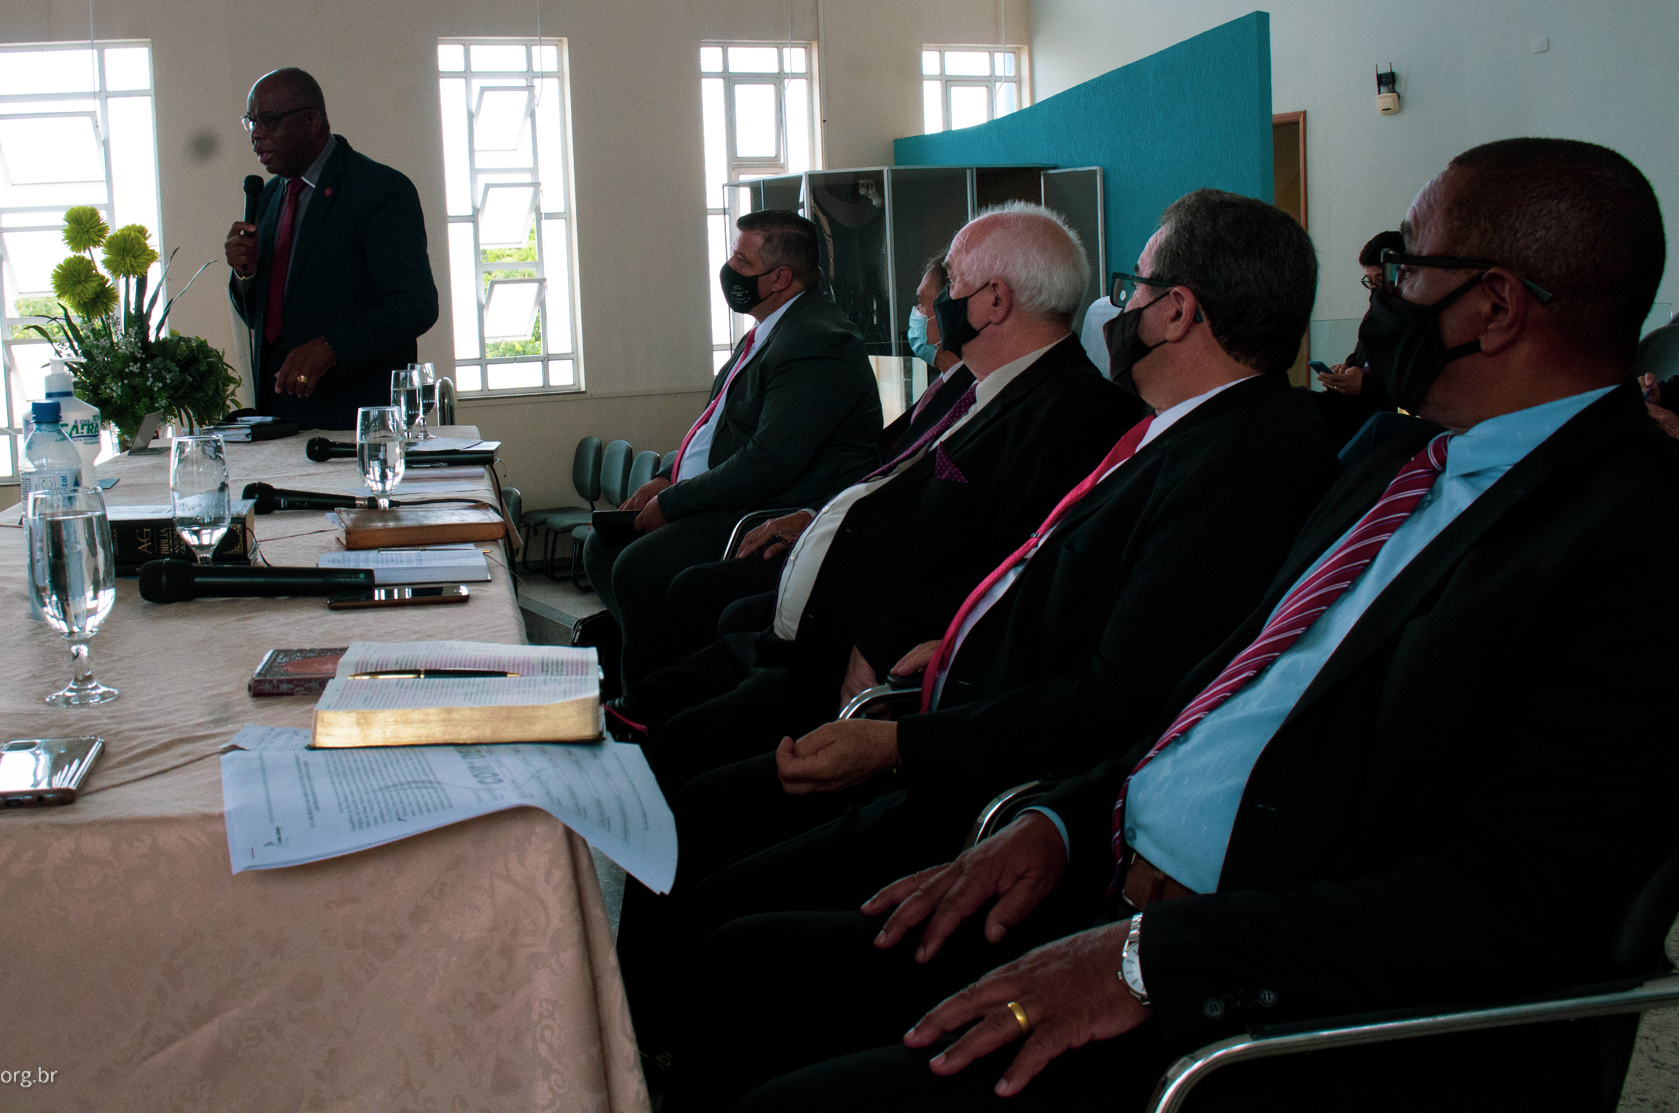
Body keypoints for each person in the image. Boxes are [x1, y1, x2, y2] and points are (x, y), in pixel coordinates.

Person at [683, 138, 1679, 1113]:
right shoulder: (1395, 458)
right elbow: (1218, 693)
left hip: (1263, 998)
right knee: (748, 969)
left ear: (1495, 306)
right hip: (1109, 873)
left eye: (1405, 262)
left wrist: (1153, 959)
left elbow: (1521, 899)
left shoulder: (1636, 534)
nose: (1380, 290)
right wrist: (1061, 822)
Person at [627, 189, 1337, 1078]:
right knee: (713, 858)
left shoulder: (1241, 461)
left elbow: (1118, 698)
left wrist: (904, 741)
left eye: (1135, 288)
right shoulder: (1186, 432)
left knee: (735, 940)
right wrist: (952, 643)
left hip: (992, 780)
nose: (1118, 308)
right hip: (947, 716)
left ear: (1177, 312)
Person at [627, 203, 1146, 799]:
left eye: (952, 283)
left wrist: (880, 639)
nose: (937, 303)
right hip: (813, 632)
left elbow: (1009, 569)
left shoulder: (1075, 413)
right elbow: (888, 479)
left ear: (995, 301)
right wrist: (814, 518)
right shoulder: (979, 383)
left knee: (680, 772)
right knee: (652, 712)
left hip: (861, 671)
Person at [584, 210, 882, 691]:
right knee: (603, 549)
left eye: (742, 262)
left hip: (767, 507)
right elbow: (716, 424)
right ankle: (666, 672)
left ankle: (653, 702)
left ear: (780, 278)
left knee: (637, 570)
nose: (729, 270)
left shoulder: (817, 339)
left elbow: (769, 461)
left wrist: (674, 501)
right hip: (730, 493)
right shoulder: (769, 328)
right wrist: (666, 476)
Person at [660, 255, 981, 665]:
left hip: (866, 557)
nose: (914, 317)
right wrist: (811, 516)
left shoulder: (969, 398)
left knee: (694, 592)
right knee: (703, 596)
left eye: (921, 304)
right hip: (829, 524)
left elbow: (907, 501)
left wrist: (816, 520)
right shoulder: (940, 390)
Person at [224, 68, 438, 430]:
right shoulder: (269, 197)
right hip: (280, 413)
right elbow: (268, 318)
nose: (256, 134)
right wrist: (246, 275)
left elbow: (415, 306)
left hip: (355, 417)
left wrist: (330, 347)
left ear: (311, 121)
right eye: (252, 122)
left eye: (269, 121)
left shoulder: (378, 190)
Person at [1312, 229, 1402, 449]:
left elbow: (1411, 383)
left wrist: (1365, 386)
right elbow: (1359, 357)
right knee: (1299, 404)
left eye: (1379, 281)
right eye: (1370, 282)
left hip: (1380, 411)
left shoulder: (1414, 319)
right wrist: (1345, 371)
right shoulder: (1375, 312)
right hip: (1356, 403)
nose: (1375, 291)